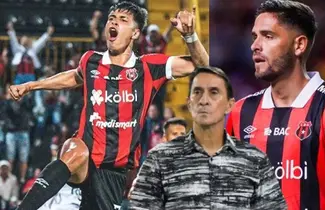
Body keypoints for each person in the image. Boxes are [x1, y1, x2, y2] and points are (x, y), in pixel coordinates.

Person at [9, 1, 208, 210]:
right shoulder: (91, 60)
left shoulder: (149, 67)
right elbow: (74, 77)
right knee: (73, 148)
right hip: (84, 161)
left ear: (135, 34)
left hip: (114, 171)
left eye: (123, 20)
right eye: (112, 19)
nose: (114, 22)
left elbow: (202, 65)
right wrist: (32, 85)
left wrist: (190, 37)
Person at [225, 1, 325, 209]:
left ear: (299, 45)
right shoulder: (241, 112)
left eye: (268, 36)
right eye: (254, 36)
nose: (255, 45)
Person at [129, 66, 286, 209]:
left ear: (229, 105)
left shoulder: (255, 160)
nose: (204, 101)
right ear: (189, 104)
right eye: (197, 92)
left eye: (214, 92)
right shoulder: (159, 158)